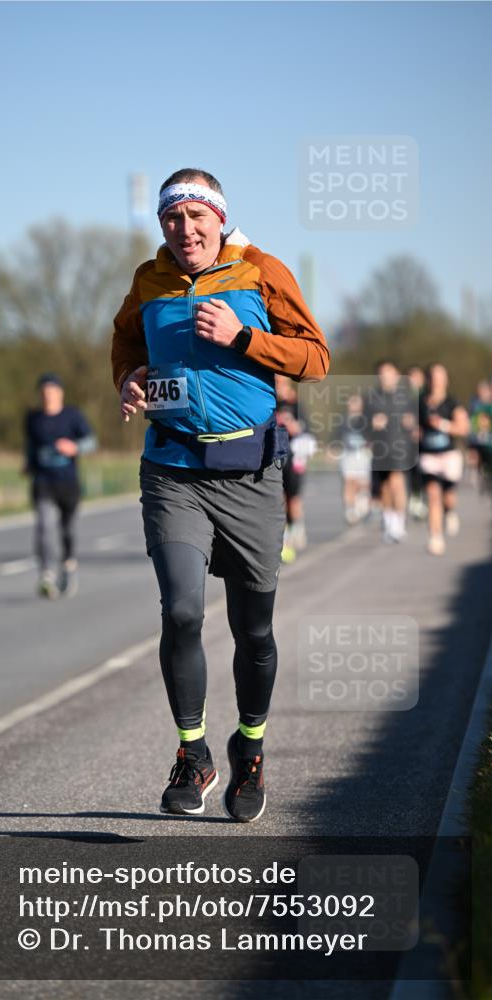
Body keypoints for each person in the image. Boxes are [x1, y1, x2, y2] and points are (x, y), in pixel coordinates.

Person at [111, 168, 329, 822]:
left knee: (252, 629)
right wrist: (128, 377)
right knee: (181, 612)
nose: (184, 230)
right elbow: (125, 342)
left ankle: (249, 747)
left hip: (249, 475)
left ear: (219, 218)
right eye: (172, 219)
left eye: (195, 216)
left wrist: (242, 337)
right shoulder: (148, 281)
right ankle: (192, 753)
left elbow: (315, 358)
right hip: (172, 468)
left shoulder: (261, 270)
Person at [24, 373, 96, 598]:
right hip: (43, 481)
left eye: (52, 392)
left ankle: (67, 566)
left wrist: (74, 447)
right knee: (44, 526)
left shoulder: (72, 416)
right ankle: (46, 574)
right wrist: (28, 464)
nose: (48, 396)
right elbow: (30, 445)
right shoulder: (33, 419)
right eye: (44, 393)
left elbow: (91, 442)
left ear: (60, 393)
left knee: (67, 530)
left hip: (68, 482)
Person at [418, 364, 470, 555]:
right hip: (428, 456)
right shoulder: (420, 403)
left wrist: (442, 425)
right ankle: (435, 536)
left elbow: (463, 429)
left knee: (448, 497)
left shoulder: (452, 403)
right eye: (433, 376)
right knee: (433, 495)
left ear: (446, 379)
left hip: (449, 456)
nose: (436, 381)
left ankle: (450, 511)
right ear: (428, 379)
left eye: (440, 376)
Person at [364, 361, 415, 544]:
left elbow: (416, 420)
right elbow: (363, 425)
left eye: (389, 372)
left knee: (397, 482)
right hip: (380, 446)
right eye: (382, 373)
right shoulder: (371, 398)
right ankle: (389, 521)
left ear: (397, 375)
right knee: (385, 486)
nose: (385, 377)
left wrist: (411, 423)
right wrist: (372, 425)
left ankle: (399, 523)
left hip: (401, 446)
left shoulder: (406, 398)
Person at [274, 374, 315, 562]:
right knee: (279, 497)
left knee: (294, 497)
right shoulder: (271, 401)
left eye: (282, 382)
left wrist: (293, 426)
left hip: (295, 456)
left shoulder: (297, 404)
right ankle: (284, 536)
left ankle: (297, 527)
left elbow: (306, 431)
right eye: (277, 382)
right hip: (277, 455)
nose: (280, 385)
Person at [337, 392, 371, 525]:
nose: (353, 405)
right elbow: (336, 437)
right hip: (348, 454)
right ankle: (350, 510)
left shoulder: (366, 420)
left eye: (356, 402)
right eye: (351, 402)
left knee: (362, 483)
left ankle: (362, 502)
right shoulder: (343, 420)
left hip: (363, 454)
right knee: (349, 482)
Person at [406, 366, 427, 519]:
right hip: (408, 441)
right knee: (414, 471)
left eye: (417, 377)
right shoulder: (403, 396)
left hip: (427, 441)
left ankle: (422, 499)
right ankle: (415, 500)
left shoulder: (428, 395)